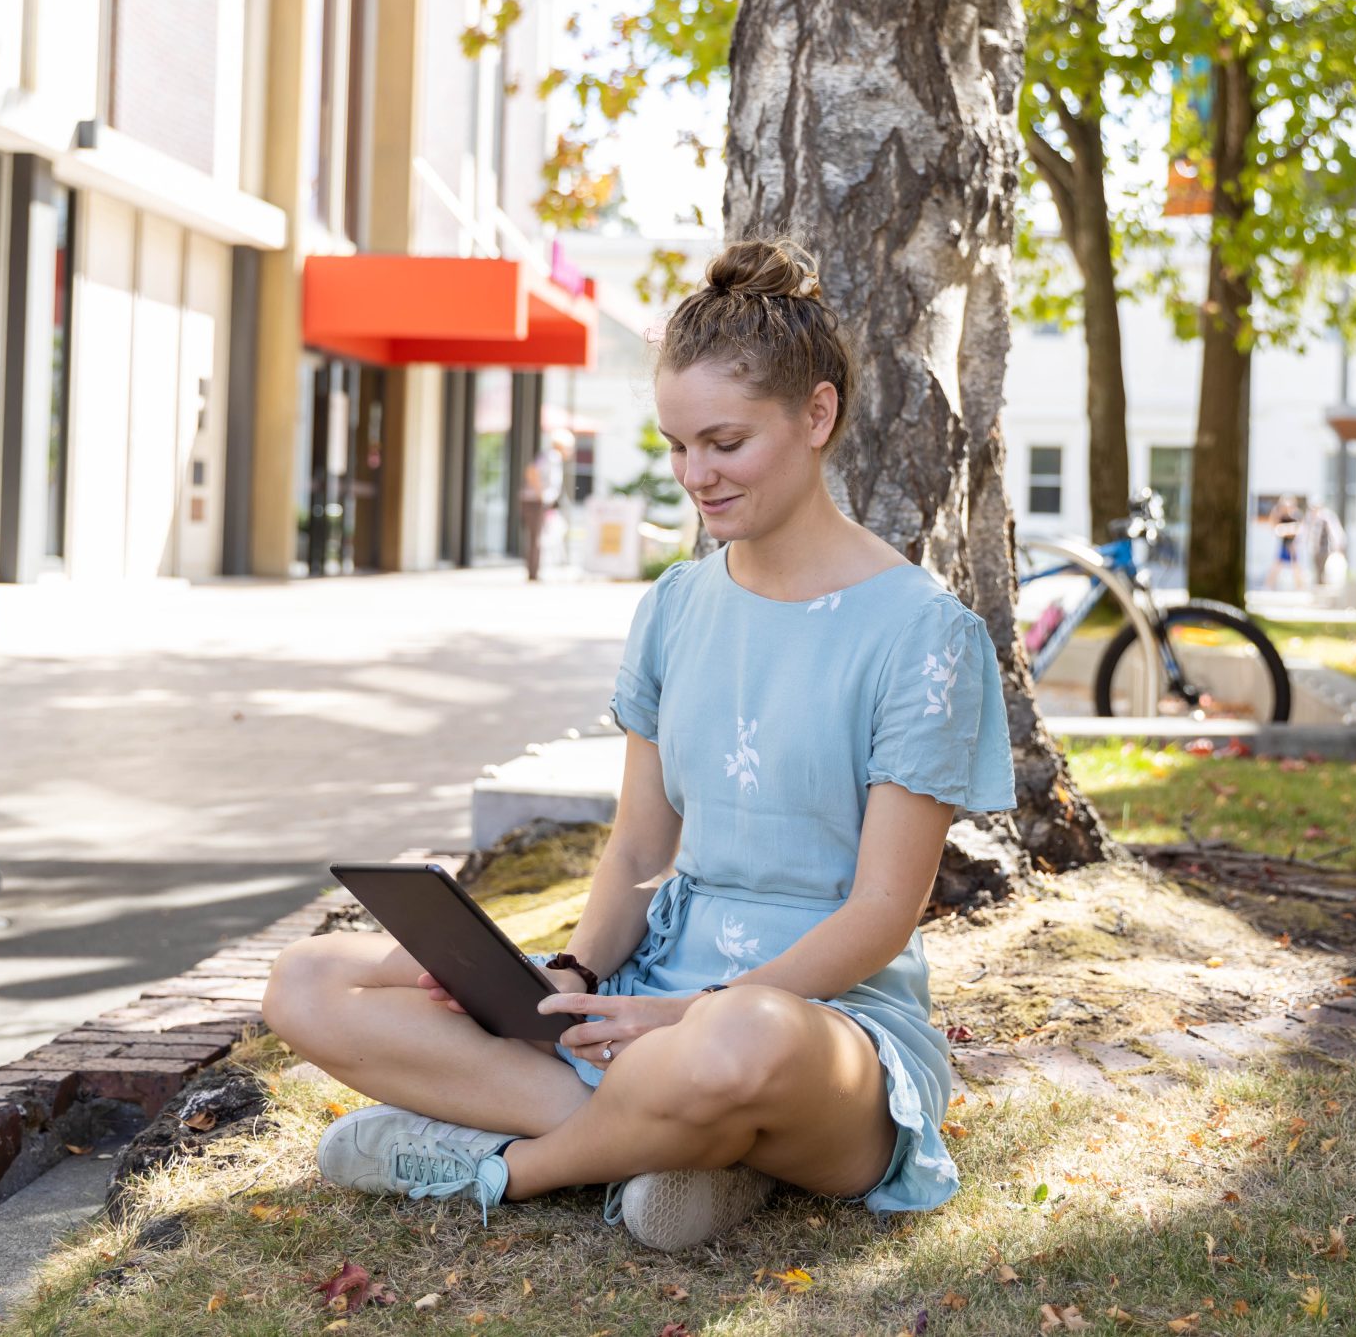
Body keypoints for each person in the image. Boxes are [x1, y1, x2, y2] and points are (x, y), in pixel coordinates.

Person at [263, 239, 1013, 1252]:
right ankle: (681, 1154)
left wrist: (687, 1016)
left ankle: (503, 1167)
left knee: (729, 1045)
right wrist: (573, 972)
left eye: (724, 442)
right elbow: (636, 852)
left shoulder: (923, 632)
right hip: (645, 996)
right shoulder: (675, 605)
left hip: (813, 1027)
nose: (695, 475)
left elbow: (883, 913)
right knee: (311, 981)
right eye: (675, 445)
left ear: (817, 415)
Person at [520, 428, 573, 582]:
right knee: (536, 538)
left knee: (539, 537)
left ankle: (535, 571)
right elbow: (531, 471)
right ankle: (533, 573)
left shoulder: (552, 457)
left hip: (538, 501)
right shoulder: (551, 457)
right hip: (535, 501)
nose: (570, 452)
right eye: (569, 448)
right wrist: (541, 493)